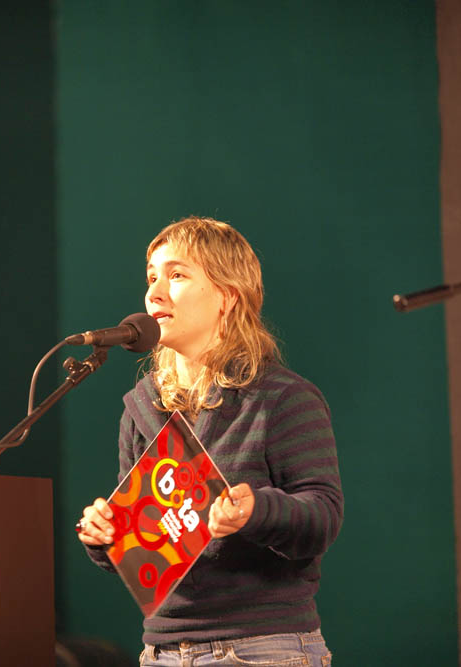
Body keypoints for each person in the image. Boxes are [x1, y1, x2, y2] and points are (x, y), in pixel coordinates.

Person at [77, 216, 344, 666]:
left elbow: (323, 517)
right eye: (152, 277)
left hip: (260, 648)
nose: (154, 293)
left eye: (177, 275)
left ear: (227, 295)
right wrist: (107, 534)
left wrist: (256, 510)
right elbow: (147, 545)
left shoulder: (282, 398)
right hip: (161, 652)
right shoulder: (142, 409)